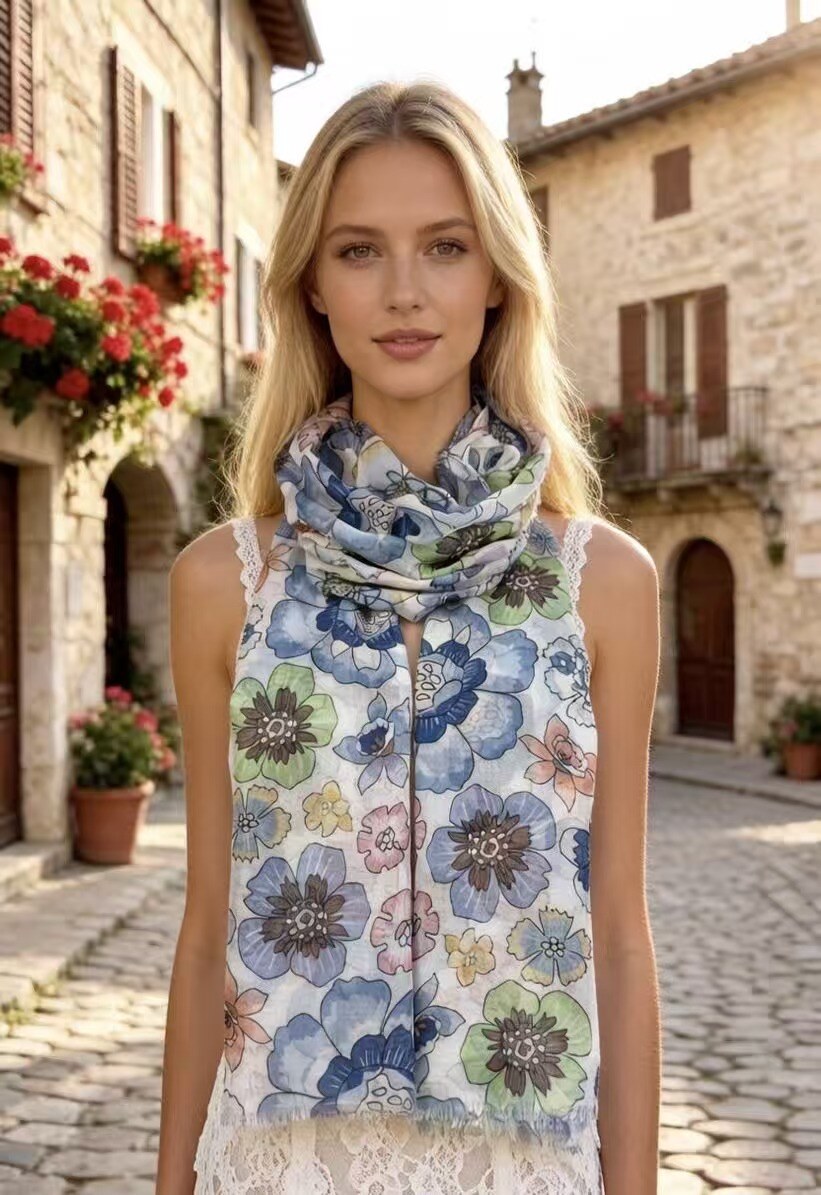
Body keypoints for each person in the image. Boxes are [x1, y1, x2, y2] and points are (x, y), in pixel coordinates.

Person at [156, 80, 662, 1195]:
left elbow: (617, 937)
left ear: (496, 278)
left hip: (524, 1164)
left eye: (443, 246)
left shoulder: (601, 583)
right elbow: (205, 939)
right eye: (356, 250)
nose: (402, 292)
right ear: (310, 288)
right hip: (281, 1164)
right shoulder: (225, 584)